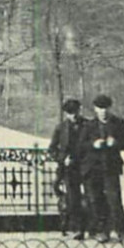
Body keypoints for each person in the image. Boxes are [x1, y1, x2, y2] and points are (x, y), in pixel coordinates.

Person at [79, 94, 124, 242]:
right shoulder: (88, 126)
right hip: (93, 168)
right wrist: (92, 145)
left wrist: (115, 143)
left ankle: (123, 233)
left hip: (110, 168)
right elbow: (80, 146)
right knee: (95, 200)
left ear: (110, 108)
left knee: (114, 200)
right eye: (99, 108)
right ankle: (100, 232)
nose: (103, 111)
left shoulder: (118, 123)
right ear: (95, 109)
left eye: (105, 108)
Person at [47, 98, 90, 239]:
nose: (73, 115)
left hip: (86, 167)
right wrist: (62, 159)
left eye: (75, 111)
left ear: (80, 110)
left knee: (92, 197)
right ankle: (77, 229)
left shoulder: (88, 126)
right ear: (66, 113)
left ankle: (94, 229)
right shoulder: (60, 128)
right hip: (69, 168)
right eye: (70, 113)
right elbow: (52, 149)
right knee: (73, 199)